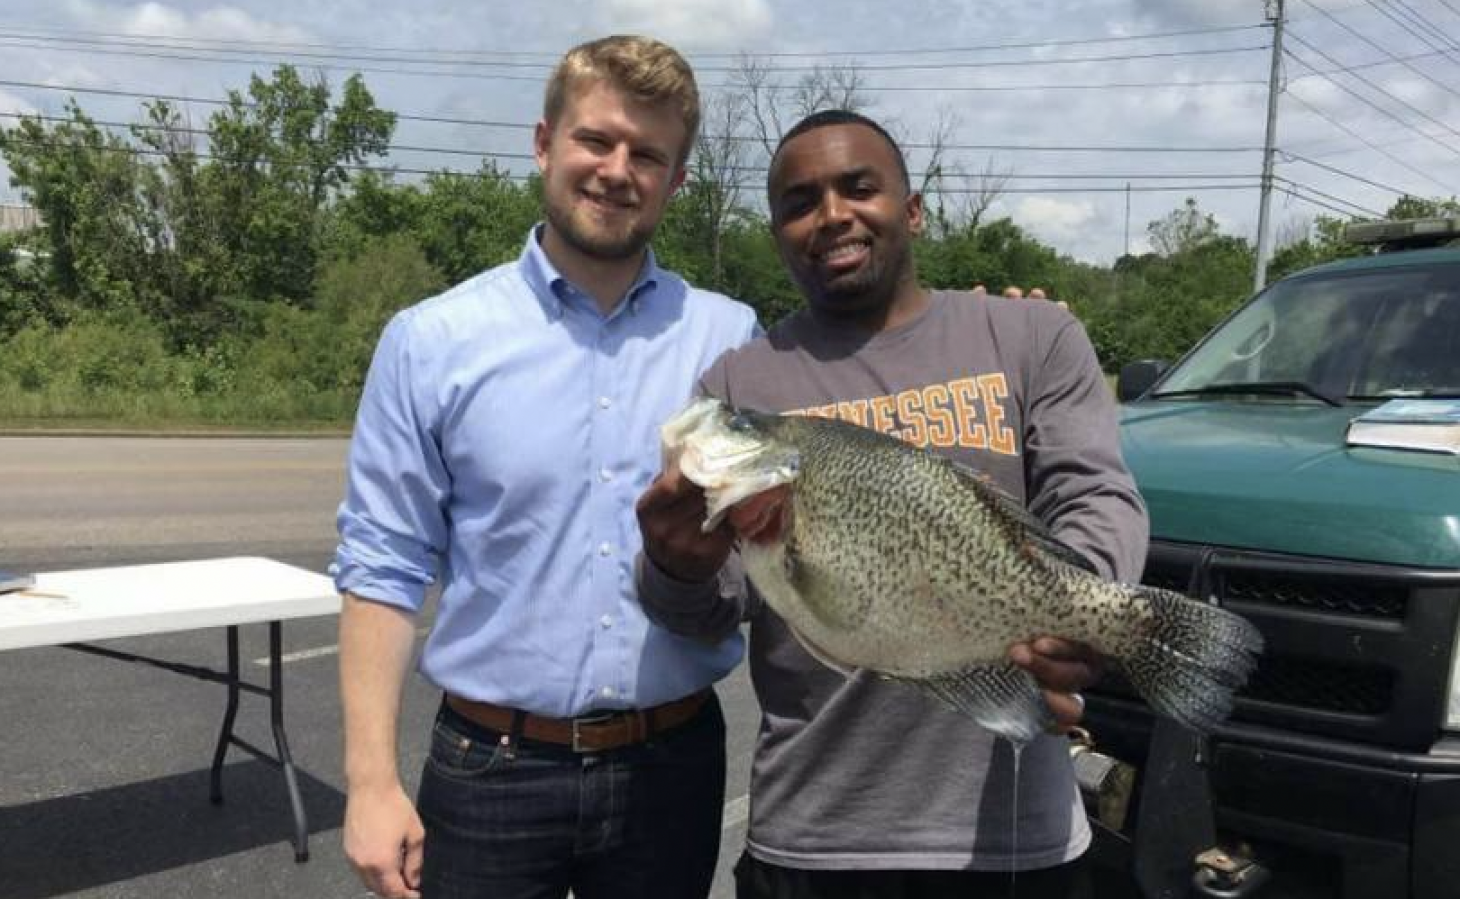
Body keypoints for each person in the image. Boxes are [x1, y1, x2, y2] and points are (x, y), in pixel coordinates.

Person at [636, 109, 1148, 899]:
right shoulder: (740, 386)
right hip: (812, 838)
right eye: (800, 202)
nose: (832, 214)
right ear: (778, 233)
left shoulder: (1031, 332)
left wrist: (1081, 605)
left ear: (912, 208)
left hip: (1016, 838)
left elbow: (1095, 493)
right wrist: (674, 567)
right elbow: (712, 610)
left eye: (859, 187)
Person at [333, 35, 759, 899]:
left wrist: (995, 333)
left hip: (671, 767)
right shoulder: (432, 341)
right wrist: (370, 783)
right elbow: (382, 565)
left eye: (648, 154)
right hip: (491, 768)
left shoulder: (730, 338)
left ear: (677, 182)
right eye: (594, 140)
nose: (616, 168)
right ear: (543, 144)